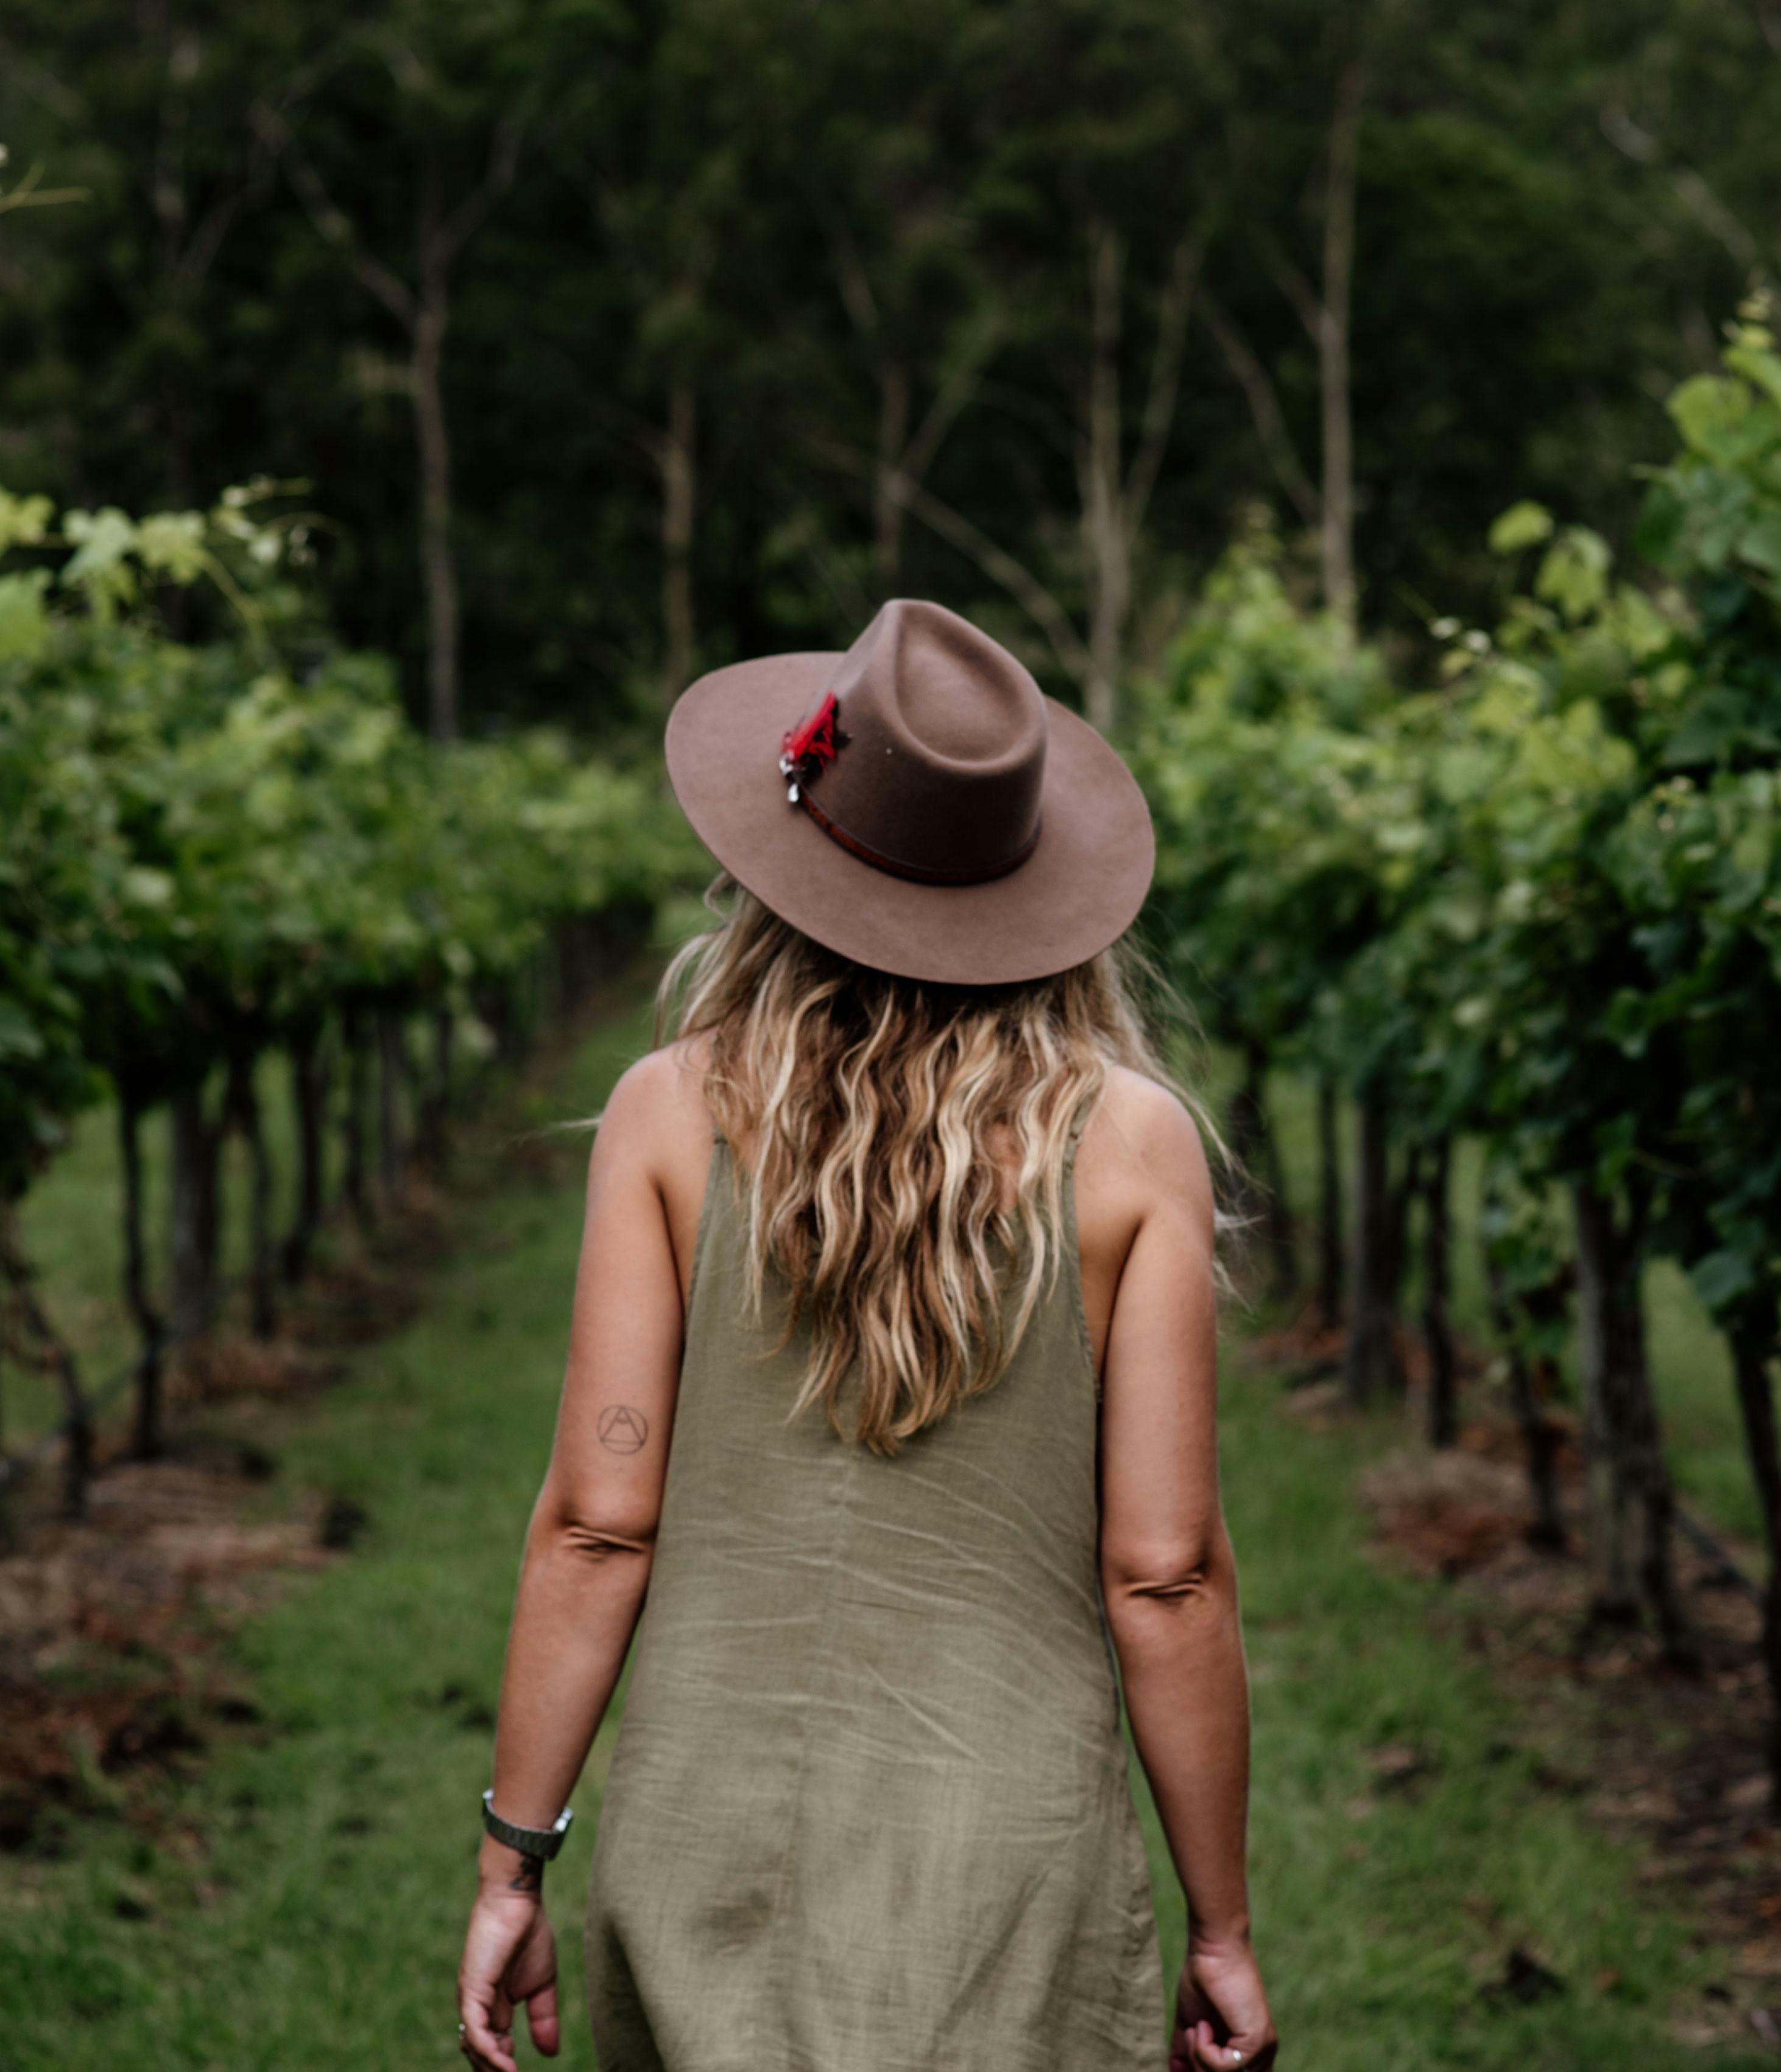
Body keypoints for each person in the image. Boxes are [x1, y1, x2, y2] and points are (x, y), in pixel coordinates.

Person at [454, 599, 1275, 2072]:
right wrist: (1221, 1931)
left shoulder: (668, 1114)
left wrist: (515, 1861)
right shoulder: (1131, 1149)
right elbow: (1165, 1577)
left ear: (783, 867)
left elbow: (595, 1525)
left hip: (704, 1835)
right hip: (1002, 1868)